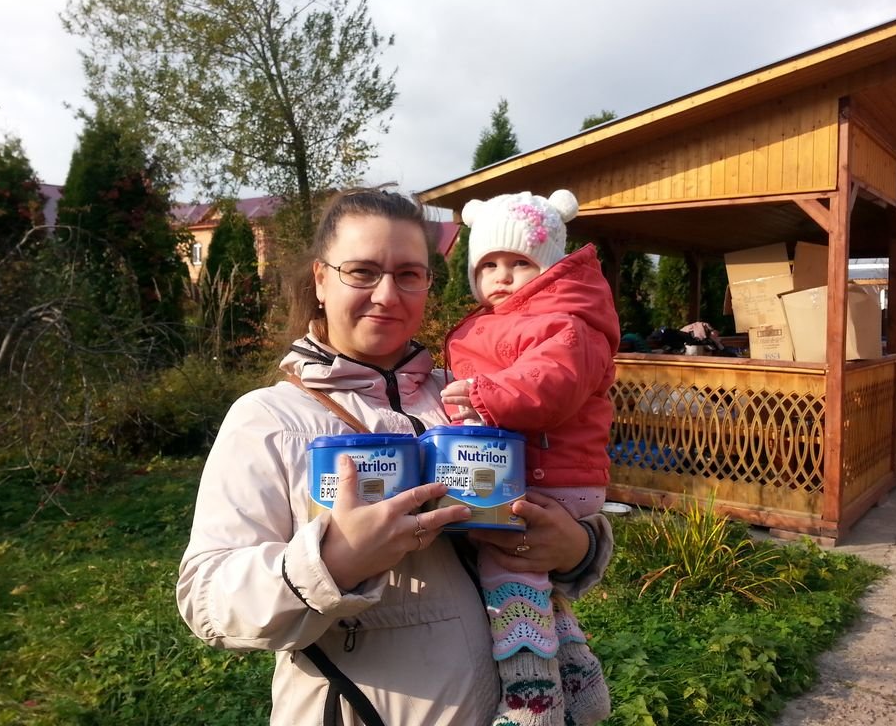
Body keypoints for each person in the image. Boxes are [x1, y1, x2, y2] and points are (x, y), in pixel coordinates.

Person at [176, 187, 614, 725]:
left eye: (409, 274)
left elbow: (552, 490)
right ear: (320, 280)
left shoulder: (471, 393)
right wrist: (334, 561)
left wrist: (576, 547)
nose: (387, 295)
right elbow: (206, 599)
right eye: (361, 272)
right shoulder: (271, 419)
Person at [440, 189, 621, 726]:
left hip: (551, 472)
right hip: (535, 466)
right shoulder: (511, 319)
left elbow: (550, 384)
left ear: (549, 266)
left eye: (519, 262)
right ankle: (580, 677)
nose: (501, 276)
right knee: (537, 582)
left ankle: (531, 701)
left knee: (508, 572)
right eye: (488, 264)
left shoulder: (565, 320)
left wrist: (483, 396)